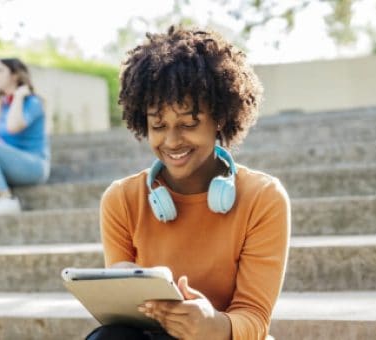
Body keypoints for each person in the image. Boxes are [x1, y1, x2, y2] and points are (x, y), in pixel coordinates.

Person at [86, 26, 290, 340]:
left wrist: (214, 325)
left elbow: (255, 318)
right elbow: (123, 323)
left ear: (220, 118)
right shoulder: (121, 199)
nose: (171, 141)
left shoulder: (263, 197)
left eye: (189, 123)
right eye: (158, 125)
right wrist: (123, 285)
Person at [0, 58, 50, 216]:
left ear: (15, 76)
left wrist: (18, 97)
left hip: (34, 166)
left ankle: (6, 198)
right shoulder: (4, 105)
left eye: (0, 71)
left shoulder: (32, 102)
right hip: (11, 164)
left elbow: (13, 127)